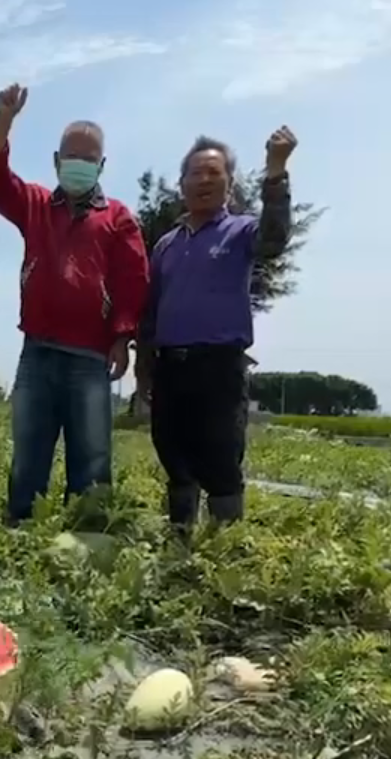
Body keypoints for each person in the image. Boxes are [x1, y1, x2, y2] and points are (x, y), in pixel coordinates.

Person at [0, 82, 150, 525]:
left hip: (90, 357)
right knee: (29, 453)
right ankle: (18, 532)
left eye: (89, 158)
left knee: (91, 457)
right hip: (37, 351)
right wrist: (4, 120)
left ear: (102, 165)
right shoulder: (35, 205)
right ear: (56, 161)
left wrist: (123, 337)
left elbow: (133, 280)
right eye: (72, 156)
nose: (79, 165)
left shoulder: (118, 217)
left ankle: (90, 536)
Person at [133, 128, 298, 534]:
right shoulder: (166, 245)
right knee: (174, 455)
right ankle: (181, 540)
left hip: (219, 366)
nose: (204, 180)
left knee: (221, 458)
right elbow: (152, 311)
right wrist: (144, 368)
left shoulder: (241, 231)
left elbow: (274, 240)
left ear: (230, 183)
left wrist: (276, 172)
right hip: (171, 367)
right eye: (195, 173)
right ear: (181, 183)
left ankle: (224, 551)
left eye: (214, 172)